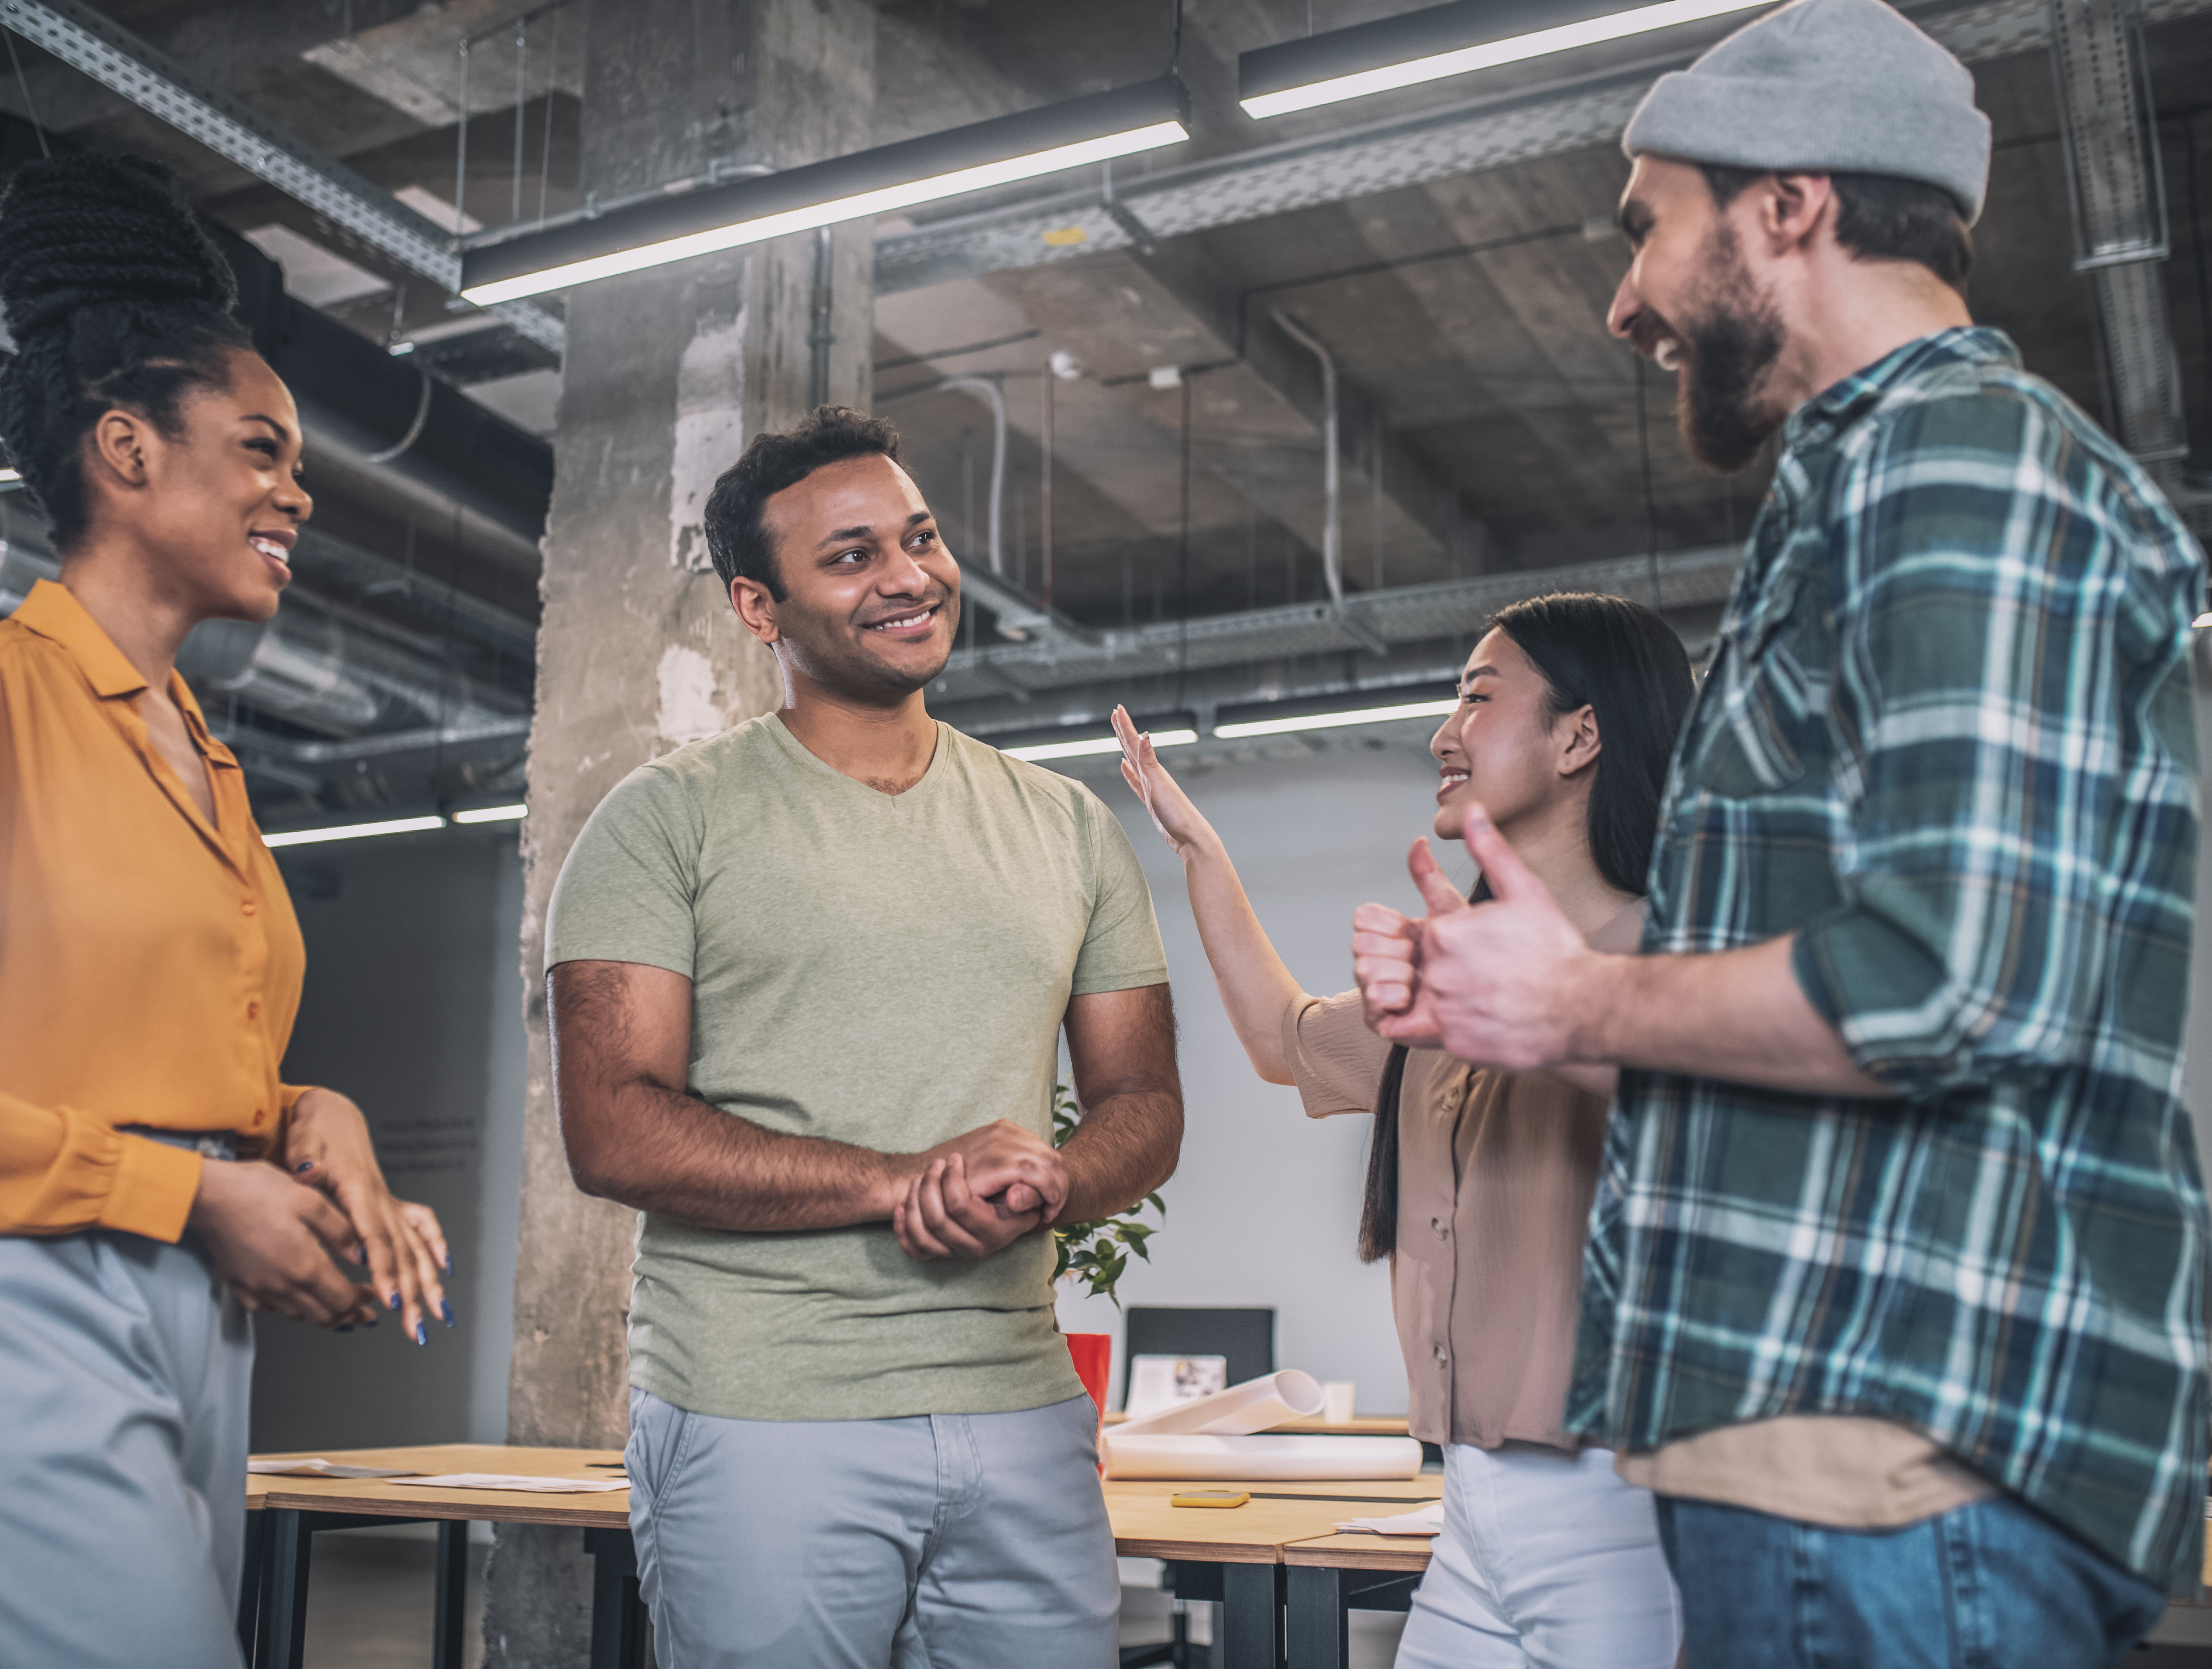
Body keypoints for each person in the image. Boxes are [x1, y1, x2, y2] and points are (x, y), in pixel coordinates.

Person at [1352, 0, 2210, 1661]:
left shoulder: (1957, 471)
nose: (1626, 302)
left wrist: (1579, 996)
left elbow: (1956, 984)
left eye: (1647, 227)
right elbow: (1840, 1037)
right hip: (1832, 1443)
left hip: (1895, 1452)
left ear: (1790, 205)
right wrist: (1526, 1007)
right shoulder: (1867, 500)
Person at [0, 154, 451, 1669]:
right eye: (261, 449)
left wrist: (309, 1122)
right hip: (0, 1287)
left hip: (194, 1307)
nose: (298, 491)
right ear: (127, 447)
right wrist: (191, 1197)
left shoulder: (212, 762)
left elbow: (136, 1047)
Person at [545, 406, 1182, 1669]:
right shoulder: (660, 824)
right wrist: (899, 1183)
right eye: (851, 556)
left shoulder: (1067, 825)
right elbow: (612, 1129)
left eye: (920, 538)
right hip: (761, 1417)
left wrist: (1062, 1179)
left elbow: (1144, 1104)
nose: (908, 576)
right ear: (759, 607)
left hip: (1023, 1408)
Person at [1114, 592, 1693, 1669]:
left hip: (1623, 1503)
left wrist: (1564, 1013)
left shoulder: (1688, 965)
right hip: (1468, 1504)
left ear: (1581, 735)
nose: (1444, 734)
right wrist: (1202, 853)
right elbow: (1283, 1040)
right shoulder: (1451, 977)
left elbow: (1727, 1123)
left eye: (1480, 698)